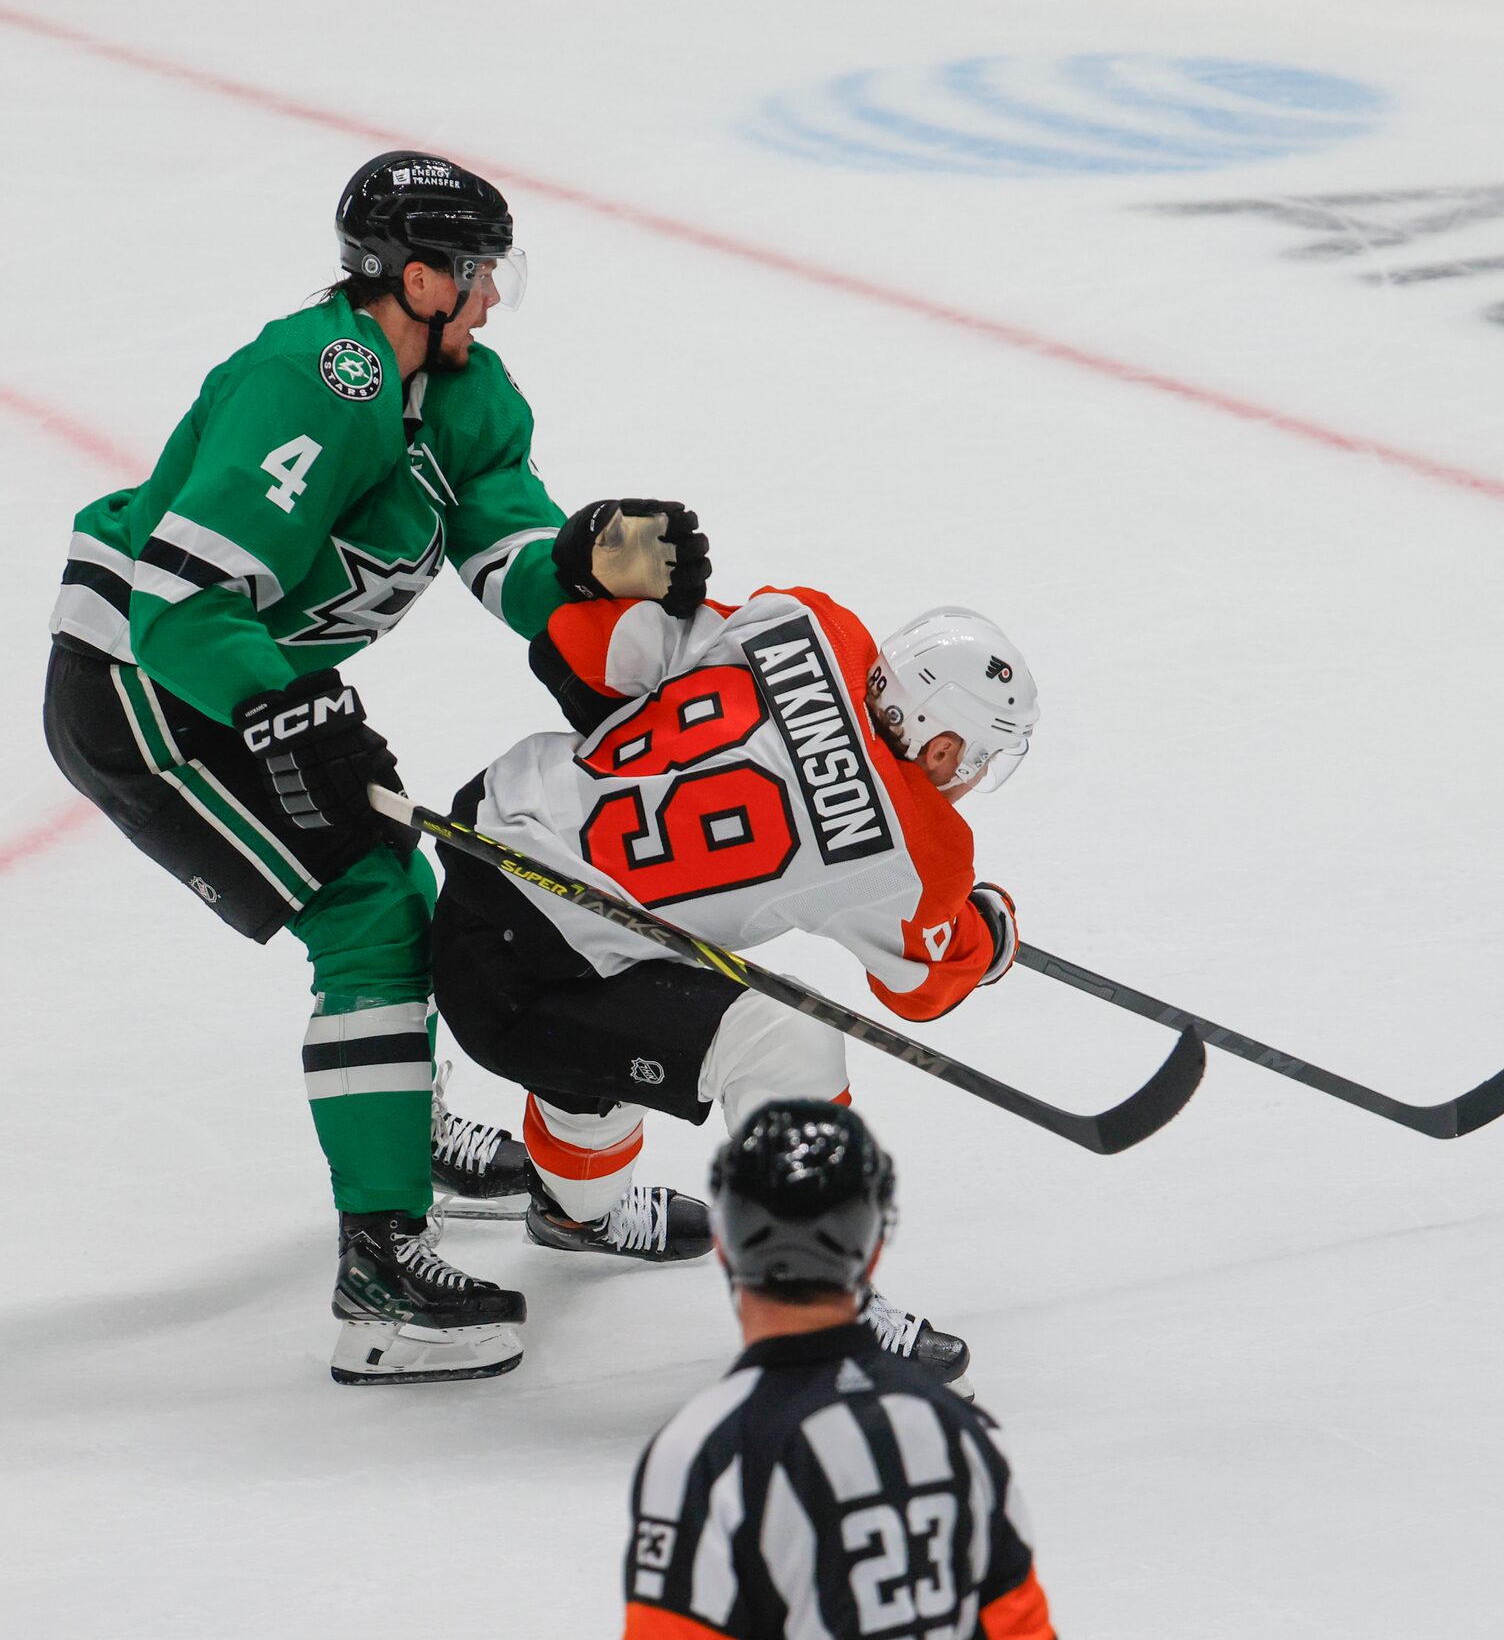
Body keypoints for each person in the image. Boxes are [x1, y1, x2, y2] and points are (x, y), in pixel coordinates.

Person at [40, 150, 714, 1384]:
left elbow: (509, 552)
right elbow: (179, 608)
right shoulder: (315, 383)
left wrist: (598, 586)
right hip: (145, 693)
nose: (495, 298)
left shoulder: (463, 394)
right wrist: (290, 708)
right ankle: (381, 1284)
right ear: (417, 278)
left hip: (244, 692)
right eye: (478, 274)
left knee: (399, 897)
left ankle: (424, 1144)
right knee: (371, 913)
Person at [428, 582, 1037, 1375]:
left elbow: (588, 644)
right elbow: (922, 986)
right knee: (787, 1041)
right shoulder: (916, 853)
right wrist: (984, 936)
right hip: (530, 982)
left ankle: (576, 1215)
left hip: (492, 840)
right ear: (942, 747)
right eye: (978, 758)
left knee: (654, 976)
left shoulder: (805, 620)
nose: (971, 778)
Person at [622, 1100, 1054, 1639]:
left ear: (725, 1249)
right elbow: (1022, 1628)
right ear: (871, 1256)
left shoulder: (704, 1452)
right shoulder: (962, 1433)